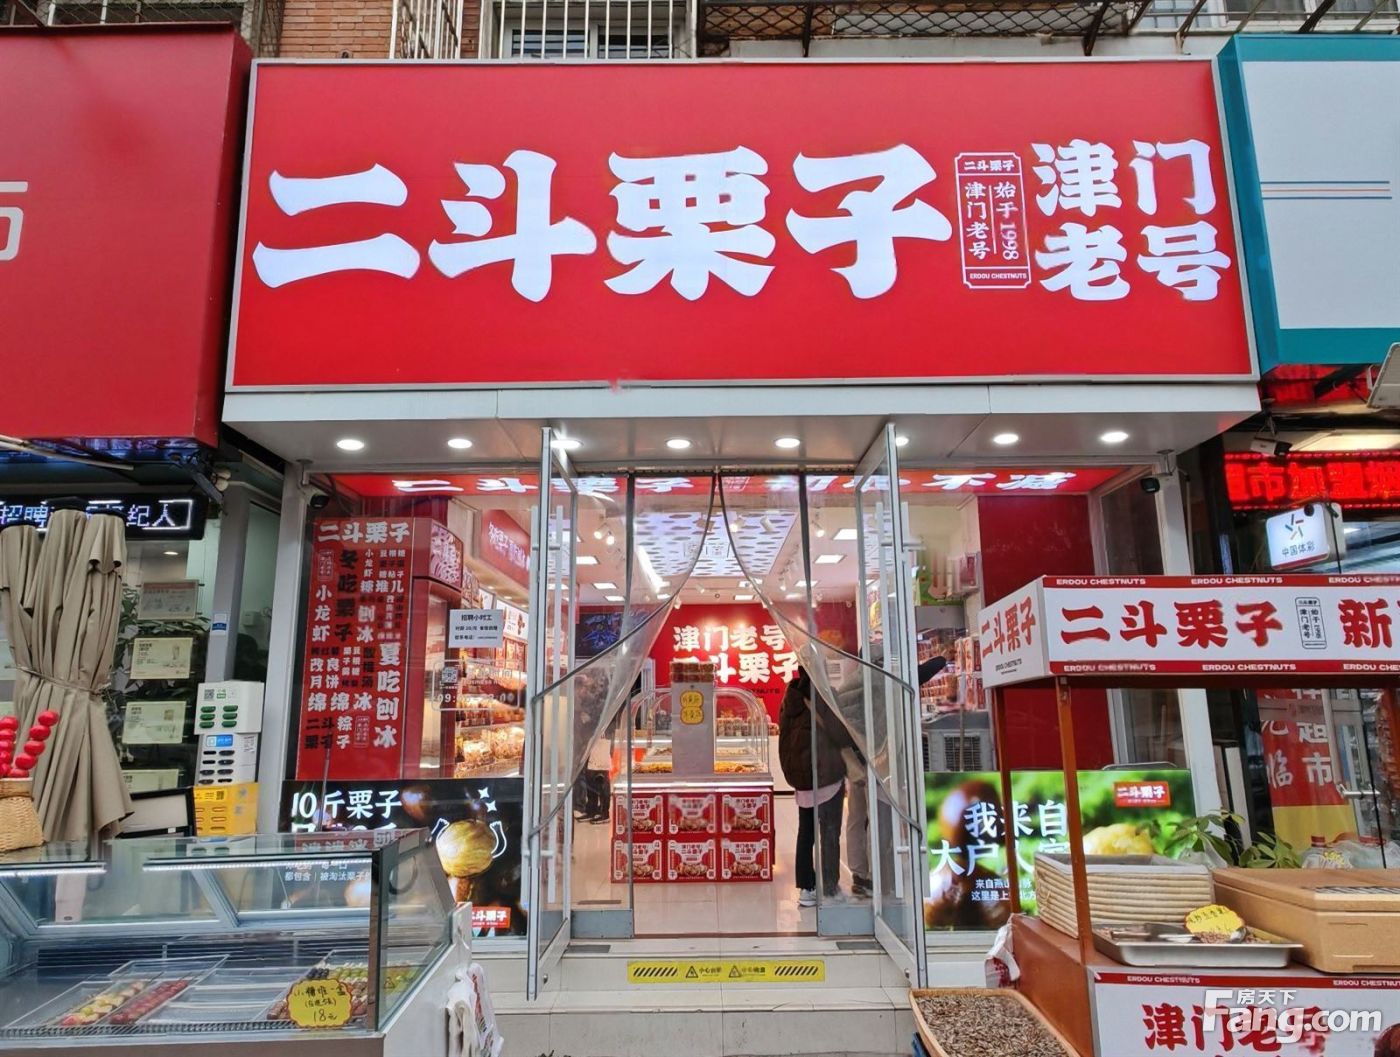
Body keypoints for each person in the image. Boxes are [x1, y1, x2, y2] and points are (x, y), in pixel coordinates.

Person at [840, 644, 957, 898]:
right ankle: (880, 877)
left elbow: (845, 723)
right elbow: (918, 674)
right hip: (879, 763)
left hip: (856, 764)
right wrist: (942, 659)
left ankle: (859, 874)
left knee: (856, 819)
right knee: (879, 822)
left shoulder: (850, 683)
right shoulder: (884, 682)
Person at [778, 666, 852, 906]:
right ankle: (829, 888)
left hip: (802, 777)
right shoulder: (825, 695)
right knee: (829, 832)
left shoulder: (790, 698)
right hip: (826, 774)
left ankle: (806, 888)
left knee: (805, 833)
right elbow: (840, 734)